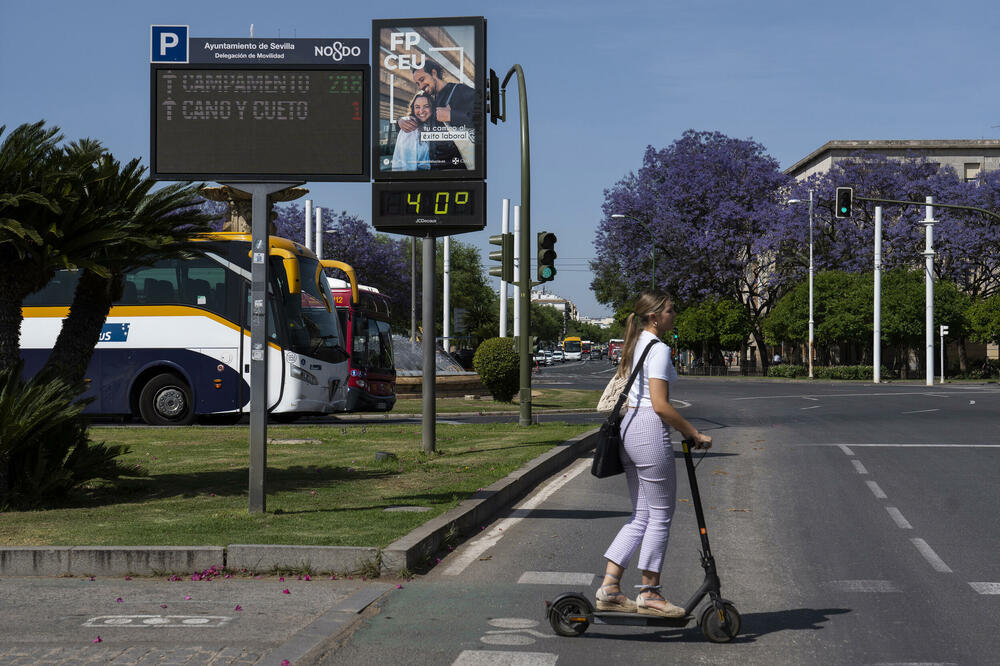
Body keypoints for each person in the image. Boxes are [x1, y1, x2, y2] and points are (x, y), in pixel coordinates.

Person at [596, 291, 713, 617]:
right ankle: (650, 593)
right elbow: (660, 404)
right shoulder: (658, 349)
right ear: (654, 316)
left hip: (629, 428)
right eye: (670, 311)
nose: (674, 315)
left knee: (642, 516)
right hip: (648, 428)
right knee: (660, 516)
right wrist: (692, 432)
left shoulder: (635, 346)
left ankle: (610, 588)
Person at [397, 59, 475, 170]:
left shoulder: (459, 91)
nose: (420, 86)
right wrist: (400, 121)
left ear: (434, 73)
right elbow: (419, 120)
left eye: (422, 79)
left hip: (456, 170)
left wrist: (451, 116)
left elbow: (484, 118)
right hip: (435, 170)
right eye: (418, 83)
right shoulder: (431, 100)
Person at [391, 92, 434, 171]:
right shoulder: (410, 128)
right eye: (417, 107)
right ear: (413, 109)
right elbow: (407, 165)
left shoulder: (434, 126)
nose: (421, 111)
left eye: (426, 106)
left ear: (432, 108)